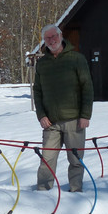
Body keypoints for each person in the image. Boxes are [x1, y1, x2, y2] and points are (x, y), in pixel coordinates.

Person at [33, 23, 93, 192]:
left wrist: (85, 115)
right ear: (44, 41)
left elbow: (87, 87)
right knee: (47, 160)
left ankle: (76, 191)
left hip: (74, 120)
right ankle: (43, 192)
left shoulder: (76, 59)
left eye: (54, 36)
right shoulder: (42, 63)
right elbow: (37, 91)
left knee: (75, 159)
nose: (52, 40)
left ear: (61, 36)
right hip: (50, 122)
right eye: (47, 38)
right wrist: (41, 115)